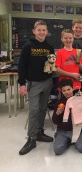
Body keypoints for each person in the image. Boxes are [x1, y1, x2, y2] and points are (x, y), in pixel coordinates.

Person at [18, 20, 54, 155]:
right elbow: (22, 66)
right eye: (39, 30)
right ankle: (31, 139)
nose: (41, 32)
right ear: (34, 31)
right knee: (33, 110)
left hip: (47, 81)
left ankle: (39, 132)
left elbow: (51, 64)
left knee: (43, 109)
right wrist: (22, 83)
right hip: (34, 83)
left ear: (47, 32)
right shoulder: (28, 46)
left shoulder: (49, 47)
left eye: (44, 30)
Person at [52, 79, 82, 155]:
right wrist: (57, 113)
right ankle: (66, 140)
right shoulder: (59, 103)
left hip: (77, 129)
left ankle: (72, 140)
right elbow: (55, 121)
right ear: (61, 91)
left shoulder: (79, 99)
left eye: (69, 89)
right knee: (57, 150)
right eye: (64, 90)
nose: (67, 92)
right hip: (63, 130)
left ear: (73, 88)